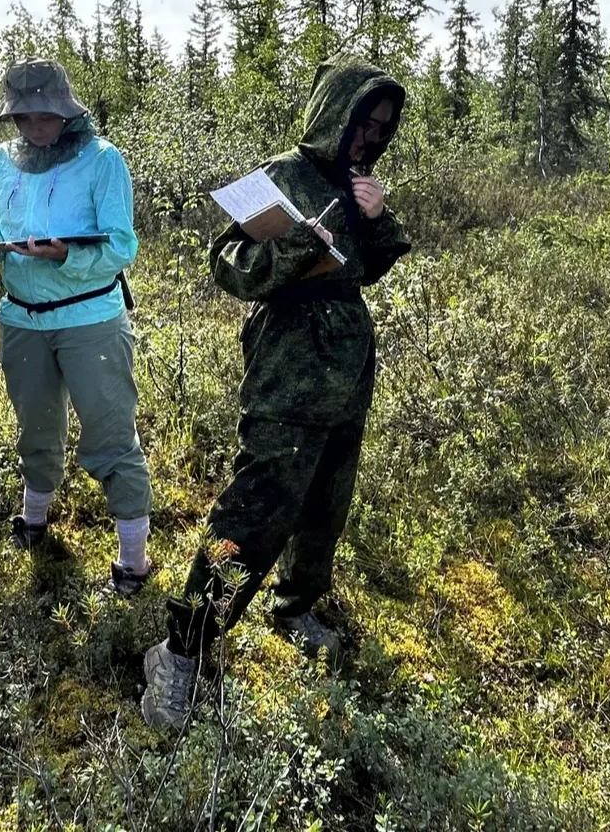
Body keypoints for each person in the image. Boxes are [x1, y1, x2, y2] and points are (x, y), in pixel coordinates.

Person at [141, 58, 410, 729]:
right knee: (258, 507)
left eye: (380, 128)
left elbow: (366, 270)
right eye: (361, 123)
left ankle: (294, 607)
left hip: (347, 362)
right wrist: (295, 245)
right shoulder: (277, 177)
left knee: (327, 498)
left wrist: (376, 220)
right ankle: (180, 650)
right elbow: (230, 266)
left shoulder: (356, 182)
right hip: (289, 362)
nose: (368, 138)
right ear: (334, 113)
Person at [0, 59, 152, 596]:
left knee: (111, 434)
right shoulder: (3, 162)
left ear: (65, 112)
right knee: (36, 426)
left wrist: (66, 254)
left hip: (90, 317)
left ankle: (132, 561)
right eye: (22, 118)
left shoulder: (103, 161)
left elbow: (122, 247)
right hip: (22, 318)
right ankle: (35, 519)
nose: (33, 128)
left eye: (43, 116)